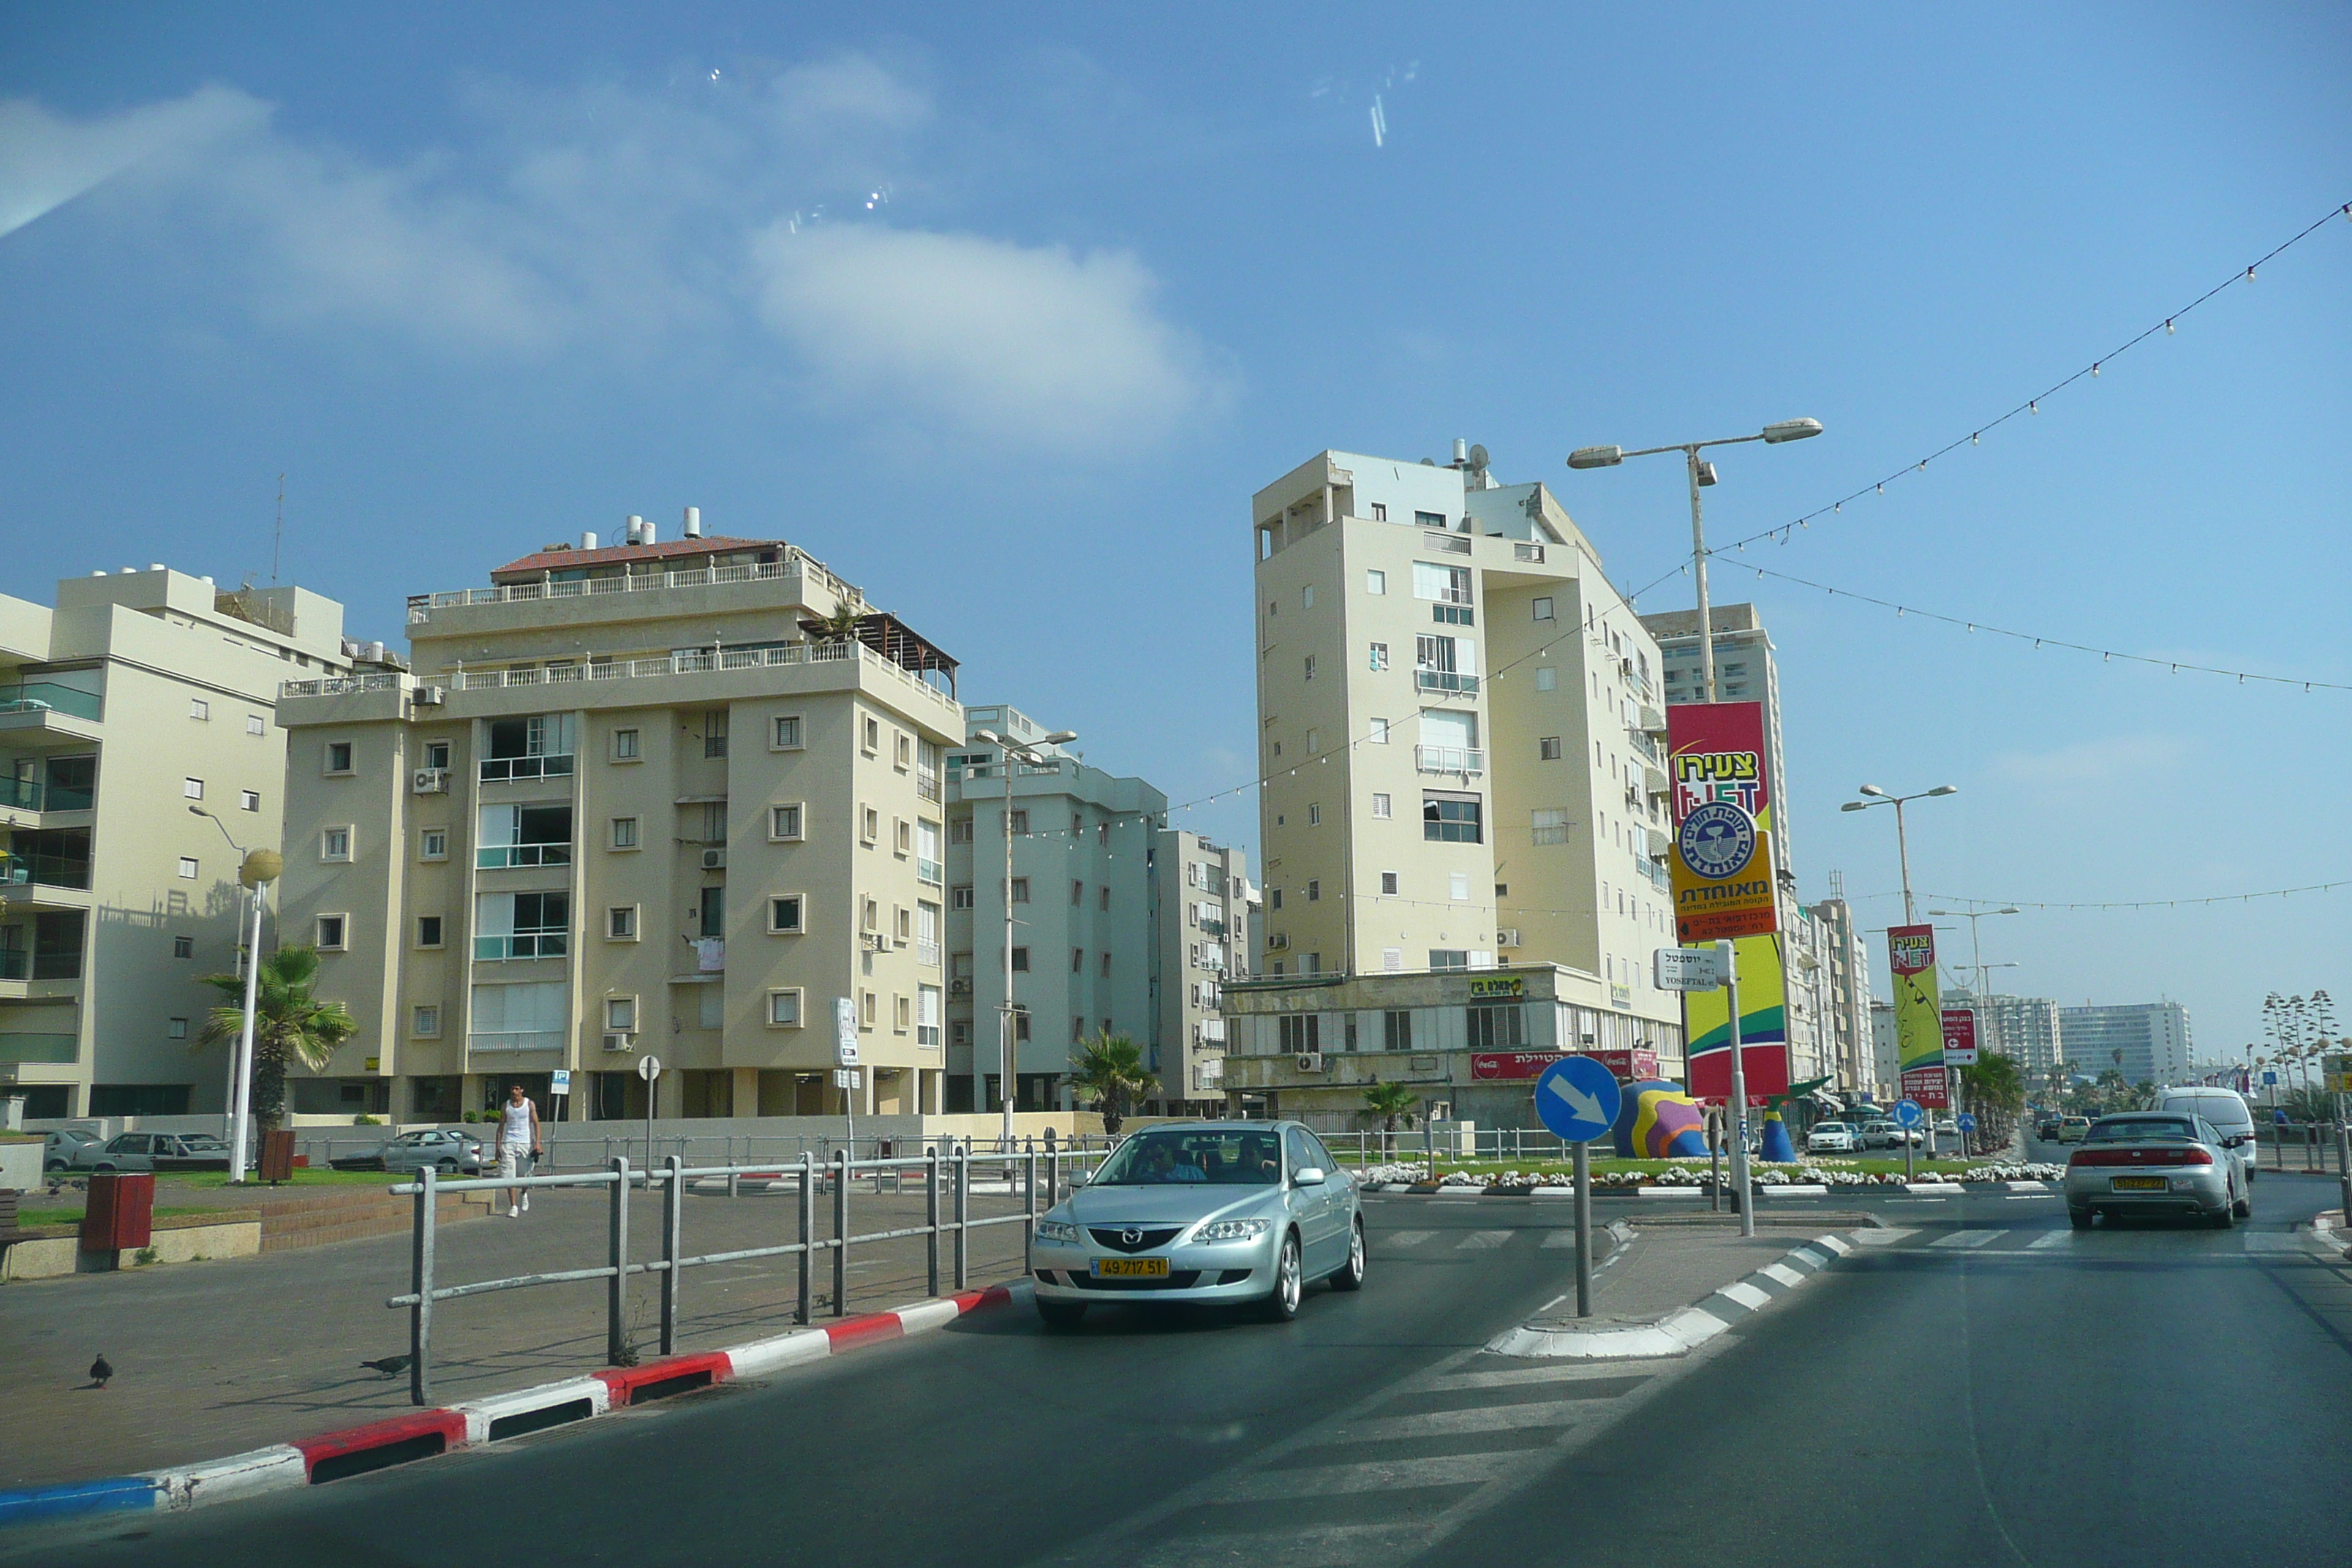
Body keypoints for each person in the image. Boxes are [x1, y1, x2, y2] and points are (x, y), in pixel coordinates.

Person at [496, 1082, 541, 1218]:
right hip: (509, 1142)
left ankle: (524, 1193)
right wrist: (497, 1147)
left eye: (517, 1089)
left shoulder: (529, 1104)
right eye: (512, 1089)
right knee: (510, 1175)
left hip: (525, 1142)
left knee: (525, 1174)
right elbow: (501, 1127)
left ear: (522, 1090)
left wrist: (537, 1144)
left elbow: (536, 1124)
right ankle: (513, 1206)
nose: (514, 1091)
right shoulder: (506, 1106)